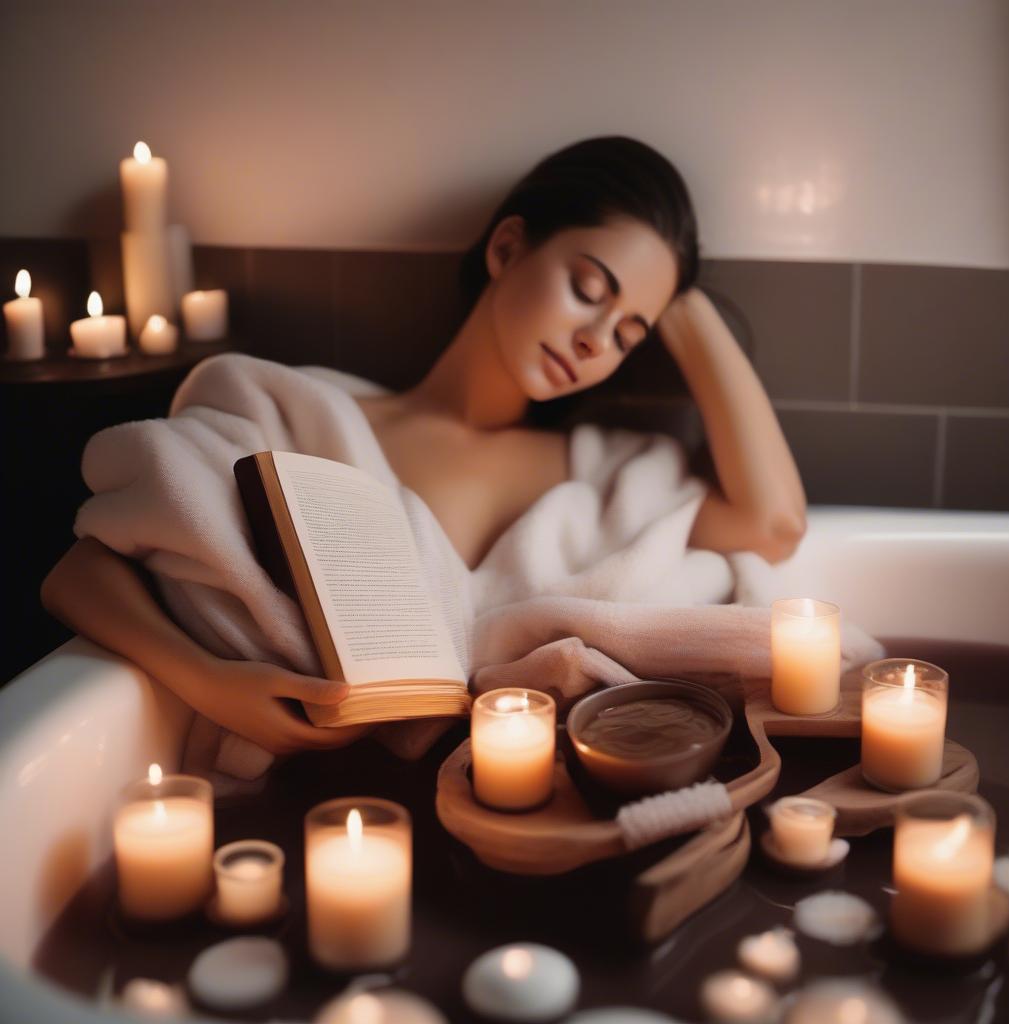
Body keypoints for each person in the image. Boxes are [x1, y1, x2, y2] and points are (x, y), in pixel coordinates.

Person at [40, 136, 807, 758]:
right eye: (588, 288)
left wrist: (686, 306)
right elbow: (79, 572)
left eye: (628, 332)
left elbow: (775, 524)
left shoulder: (607, 472)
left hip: (536, 803)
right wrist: (212, 682)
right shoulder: (309, 420)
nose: (594, 340)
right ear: (507, 248)